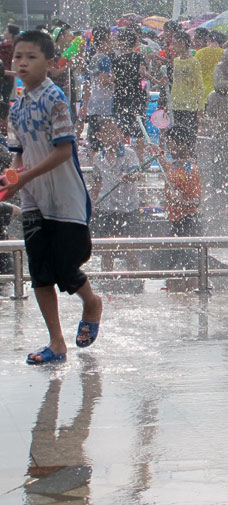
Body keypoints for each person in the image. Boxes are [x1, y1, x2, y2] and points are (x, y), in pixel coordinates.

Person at [2, 30, 102, 364]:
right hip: (33, 200)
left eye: (31, 57)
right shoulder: (16, 109)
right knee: (40, 272)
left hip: (66, 199)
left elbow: (63, 152)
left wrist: (25, 175)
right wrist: (13, 178)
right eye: (18, 57)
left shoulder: (55, 98)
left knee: (65, 265)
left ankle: (91, 302)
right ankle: (56, 343)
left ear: (49, 61)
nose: (22, 63)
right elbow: (18, 154)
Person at [88, 117, 142, 270]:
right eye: (106, 133)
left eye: (114, 132)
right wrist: (91, 204)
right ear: (99, 136)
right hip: (107, 208)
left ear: (120, 133)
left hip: (129, 208)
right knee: (107, 250)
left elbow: (136, 173)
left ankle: (135, 281)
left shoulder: (129, 154)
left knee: (131, 249)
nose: (111, 136)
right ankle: (107, 281)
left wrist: (130, 177)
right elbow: (97, 183)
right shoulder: (98, 158)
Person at [79, 26, 114, 152]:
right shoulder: (105, 59)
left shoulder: (94, 58)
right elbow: (104, 80)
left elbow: (88, 84)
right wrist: (116, 80)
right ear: (104, 41)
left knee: (94, 141)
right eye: (110, 40)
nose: (112, 43)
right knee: (105, 140)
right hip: (104, 105)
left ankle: (92, 166)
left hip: (94, 103)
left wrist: (84, 105)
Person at [168, 31, 204, 153]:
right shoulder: (176, 61)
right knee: (177, 135)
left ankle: (191, 158)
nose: (173, 47)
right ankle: (179, 157)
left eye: (176, 44)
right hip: (176, 103)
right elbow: (175, 83)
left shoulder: (194, 62)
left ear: (183, 44)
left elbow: (199, 85)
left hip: (190, 105)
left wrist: (200, 107)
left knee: (190, 135)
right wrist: (170, 103)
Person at [0, 23, 19, 136]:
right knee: (6, 104)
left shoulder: (5, 46)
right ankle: (5, 131)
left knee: (3, 105)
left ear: (11, 34)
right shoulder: (17, 46)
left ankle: (3, 130)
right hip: (10, 79)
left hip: (3, 77)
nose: (5, 32)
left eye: (6, 31)